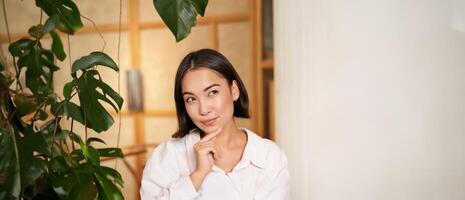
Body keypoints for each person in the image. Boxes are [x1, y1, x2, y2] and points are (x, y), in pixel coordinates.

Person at [140, 49, 289, 199]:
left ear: (234, 90)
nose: (203, 109)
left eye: (212, 92)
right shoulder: (169, 155)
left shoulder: (270, 156)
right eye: (191, 99)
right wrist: (197, 176)